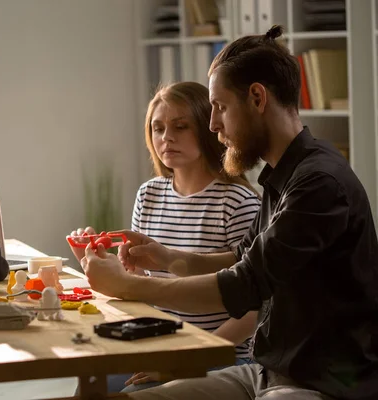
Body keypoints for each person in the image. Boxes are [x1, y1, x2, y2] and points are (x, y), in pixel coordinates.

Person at [81, 25, 378, 400]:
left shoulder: (318, 183)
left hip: (322, 385)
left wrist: (128, 285)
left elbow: (244, 285)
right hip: (266, 373)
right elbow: (242, 257)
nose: (213, 125)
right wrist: (168, 256)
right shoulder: (285, 174)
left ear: (257, 98)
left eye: (220, 107)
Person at [70, 81, 261, 393]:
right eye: (157, 129)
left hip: (221, 355)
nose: (166, 138)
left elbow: (253, 311)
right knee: (89, 387)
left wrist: (187, 360)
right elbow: (147, 283)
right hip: (161, 344)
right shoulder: (149, 195)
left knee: (129, 394)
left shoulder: (237, 203)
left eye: (180, 126)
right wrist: (102, 264)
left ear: (208, 127)